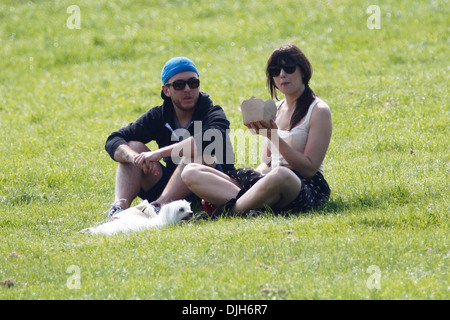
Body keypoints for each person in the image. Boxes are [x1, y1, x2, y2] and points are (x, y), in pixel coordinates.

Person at [181, 44, 332, 216]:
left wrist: (274, 137)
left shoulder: (319, 110)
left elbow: (310, 168)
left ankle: (230, 211)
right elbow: (266, 162)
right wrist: (255, 177)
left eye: (289, 68)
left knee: (281, 174)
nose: (282, 74)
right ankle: (253, 205)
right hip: (269, 181)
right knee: (191, 171)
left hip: (300, 184)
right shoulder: (275, 108)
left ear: (303, 71)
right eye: (275, 70)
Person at [104, 57, 235, 219]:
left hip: (209, 184)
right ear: (166, 90)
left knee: (203, 154)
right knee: (133, 146)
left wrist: (160, 153)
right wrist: (135, 158)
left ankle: (158, 207)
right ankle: (118, 209)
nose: (188, 89)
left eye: (193, 83)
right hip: (173, 185)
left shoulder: (212, 112)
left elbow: (212, 138)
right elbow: (114, 139)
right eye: (179, 85)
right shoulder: (159, 115)